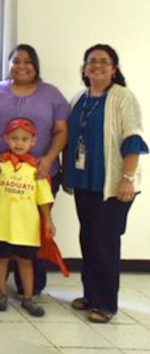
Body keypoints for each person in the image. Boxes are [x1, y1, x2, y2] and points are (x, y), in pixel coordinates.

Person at [0, 44, 69, 295]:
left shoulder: (52, 94)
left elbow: (61, 131)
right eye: (16, 61)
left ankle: (31, 285)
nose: (21, 66)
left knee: (33, 226)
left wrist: (48, 159)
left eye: (28, 62)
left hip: (39, 174)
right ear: (9, 65)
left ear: (36, 66)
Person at [64, 44, 147, 324]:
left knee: (105, 243)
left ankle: (106, 303)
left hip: (113, 185)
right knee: (88, 239)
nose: (97, 66)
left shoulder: (123, 97)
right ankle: (90, 295)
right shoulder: (80, 98)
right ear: (85, 68)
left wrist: (127, 178)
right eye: (91, 61)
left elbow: (133, 139)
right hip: (86, 182)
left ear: (114, 68)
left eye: (104, 61)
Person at [0, 118, 55, 317]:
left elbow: (43, 200)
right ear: (6, 139)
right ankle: (1, 293)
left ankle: (28, 297)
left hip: (26, 227)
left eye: (24, 139)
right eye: (14, 138)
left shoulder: (37, 170)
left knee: (26, 261)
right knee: (1, 259)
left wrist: (48, 220)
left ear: (33, 141)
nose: (19, 143)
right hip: (1, 224)